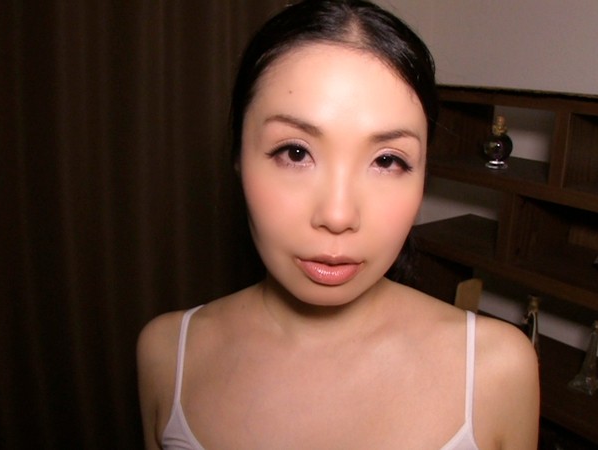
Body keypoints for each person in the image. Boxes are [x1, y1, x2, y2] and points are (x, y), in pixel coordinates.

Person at [137, 1, 540, 449]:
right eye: (295, 152)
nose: (338, 215)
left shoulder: (496, 369)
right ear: (238, 158)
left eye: (387, 160)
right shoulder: (167, 354)